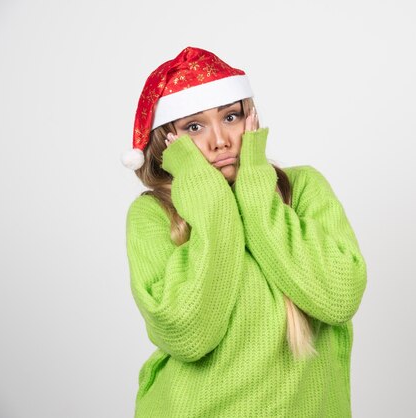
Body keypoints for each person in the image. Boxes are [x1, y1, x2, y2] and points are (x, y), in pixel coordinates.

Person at [121, 46, 367, 418]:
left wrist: (255, 191)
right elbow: (187, 334)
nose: (220, 141)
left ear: (249, 119)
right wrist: (212, 202)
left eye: (230, 117)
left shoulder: (302, 189)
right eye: (194, 126)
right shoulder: (152, 214)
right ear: (166, 141)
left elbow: (339, 297)